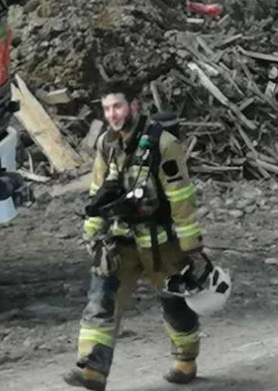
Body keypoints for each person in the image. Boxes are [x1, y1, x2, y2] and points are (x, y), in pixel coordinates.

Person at [63, 82, 207, 391]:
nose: (112, 114)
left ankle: (186, 358)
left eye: (117, 106)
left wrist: (191, 246)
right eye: (106, 109)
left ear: (134, 106)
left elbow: (180, 196)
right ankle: (92, 370)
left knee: (175, 304)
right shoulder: (106, 144)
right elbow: (98, 190)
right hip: (120, 240)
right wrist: (92, 232)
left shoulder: (163, 144)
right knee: (101, 300)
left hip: (161, 244)